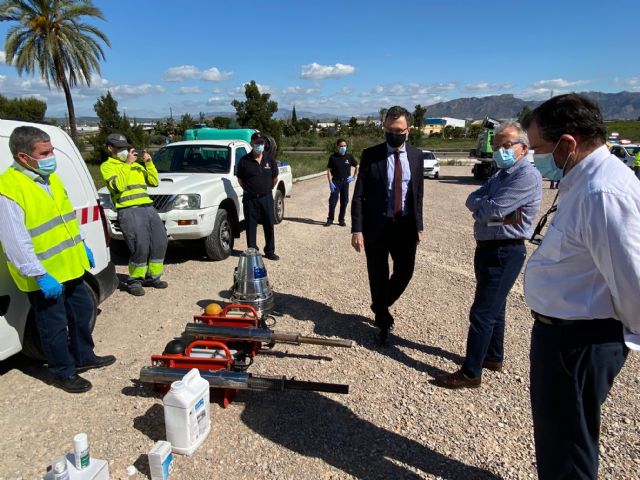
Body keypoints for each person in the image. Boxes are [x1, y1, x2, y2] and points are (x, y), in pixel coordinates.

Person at [522, 93, 640, 479]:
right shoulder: (585, 181)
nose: (537, 158)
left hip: (579, 343)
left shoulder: (602, 193)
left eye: (540, 149)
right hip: (568, 336)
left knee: (568, 450)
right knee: (560, 441)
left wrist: (615, 336)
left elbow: (633, 280)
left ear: (568, 143)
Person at [0, 126, 115, 393]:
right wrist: (38, 274)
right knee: (52, 326)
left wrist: (82, 245)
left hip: (71, 266)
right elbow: (16, 240)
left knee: (83, 311)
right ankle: (63, 372)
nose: (52, 156)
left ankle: (84, 356)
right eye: (46, 152)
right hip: (45, 275)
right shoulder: (9, 189)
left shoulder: (49, 179)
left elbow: (66, 219)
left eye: (51, 149)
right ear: (23, 157)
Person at [433, 122, 542, 389]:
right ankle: (493, 356)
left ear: (522, 148)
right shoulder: (501, 174)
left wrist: (486, 208)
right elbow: (475, 199)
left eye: (506, 146)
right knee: (496, 307)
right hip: (489, 246)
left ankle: (471, 372)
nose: (500, 151)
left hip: (505, 249)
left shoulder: (525, 176)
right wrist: (487, 208)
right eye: (497, 146)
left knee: (482, 312)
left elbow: (493, 209)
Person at [351, 106, 424, 346]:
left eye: (399, 130)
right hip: (376, 228)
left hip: (404, 226)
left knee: (405, 272)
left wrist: (419, 226)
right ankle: (382, 320)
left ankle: (379, 304)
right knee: (378, 276)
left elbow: (418, 195)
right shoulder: (371, 155)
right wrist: (357, 229)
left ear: (408, 130)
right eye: (390, 130)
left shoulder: (416, 156)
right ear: (384, 128)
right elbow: (359, 195)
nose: (395, 134)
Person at [101, 133, 168, 296]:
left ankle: (153, 276)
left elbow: (154, 181)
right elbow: (118, 186)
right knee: (140, 245)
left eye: (126, 148)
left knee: (160, 241)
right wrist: (127, 165)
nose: (125, 151)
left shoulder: (137, 165)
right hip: (128, 210)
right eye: (120, 148)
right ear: (111, 149)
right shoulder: (107, 166)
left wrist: (149, 162)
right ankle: (135, 280)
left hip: (148, 208)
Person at [236, 132, 279, 261]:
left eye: (261, 143)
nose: (259, 145)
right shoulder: (244, 160)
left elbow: (275, 178)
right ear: (251, 144)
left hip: (266, 197)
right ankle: (252, 251)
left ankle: (270, 251)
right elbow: (240, 179)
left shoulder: (269, 159)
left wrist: (266, 189)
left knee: (268, 224)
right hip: (250, 199)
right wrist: (250, 189)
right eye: (257, 143)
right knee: (250, 225)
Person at [324, 138, 359, 227]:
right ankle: (330, 219)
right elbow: (328, 171)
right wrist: (330, 183)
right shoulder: (333, 157)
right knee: (332, 202)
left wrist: (354, 177)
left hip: (345, 182)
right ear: (337, 146)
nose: (343, 147)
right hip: (335, 182)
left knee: (344, 201)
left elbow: (357, 166)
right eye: (341, 146)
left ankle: (341, 220)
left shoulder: (349, 157)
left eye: (344, 146)